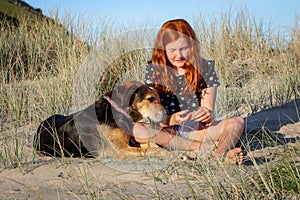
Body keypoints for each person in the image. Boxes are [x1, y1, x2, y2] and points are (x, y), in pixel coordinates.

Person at [131, 19, 244, 164]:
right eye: (172, 50)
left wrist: (206, 114)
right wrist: (173, 119)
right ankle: (207, 148)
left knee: (237, 123)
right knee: (136, 129)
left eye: (184, 48)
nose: (179, 55)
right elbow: (154, 116)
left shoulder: (206, 68)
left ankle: (220, 157)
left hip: (196, 129)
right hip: (168, 130)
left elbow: (209, 112)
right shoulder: (154, 70)